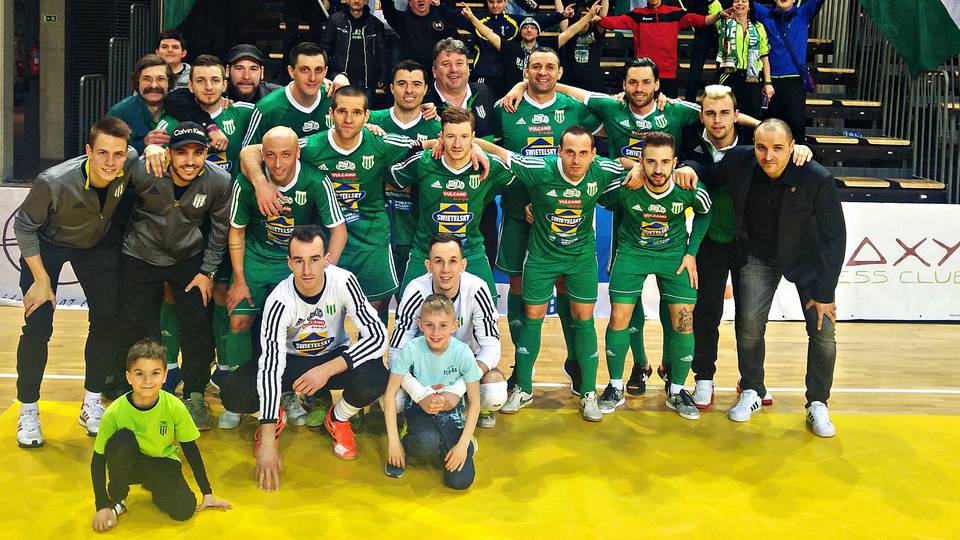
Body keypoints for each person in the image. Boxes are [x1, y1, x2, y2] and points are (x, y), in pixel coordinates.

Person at [481, 126, 640, 421]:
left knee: (583, 319)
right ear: (559, 152)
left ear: (593, 154)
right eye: (569, 152)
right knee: (532, 315)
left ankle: (589, 392)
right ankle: (523, 388)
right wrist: (469, 144)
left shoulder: (602, 169)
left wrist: (640, 166)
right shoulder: (540, 169)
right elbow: (500, 152)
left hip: (580, 258)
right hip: (542, 257)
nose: (576, 160)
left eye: (583, 153)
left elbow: (624, 162)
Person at [679, 84, 814, 409]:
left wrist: (801, 148)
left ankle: (750, 380)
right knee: (706, 312)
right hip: (709, 241)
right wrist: (686, 166)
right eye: (711, 113)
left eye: (725, 113)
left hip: (749, 243)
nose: (718, 120)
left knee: (749, 318)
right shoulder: (688, 140)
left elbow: (781, 147)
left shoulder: (756, 145)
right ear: (701, 116)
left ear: (736, 115)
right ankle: (704, 378)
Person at [219, 225, 388, 482]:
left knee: (376, 375)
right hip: (290, 363)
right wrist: (268, 442)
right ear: (289, 263)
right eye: (299, 261)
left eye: (314, 259)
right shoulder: (279, 300)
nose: (307, 270)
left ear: (327, 259)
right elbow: (271, 366)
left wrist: (327, 369)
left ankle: (338, 418)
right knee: (233, 393)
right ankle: (274, 417)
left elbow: (377, 336)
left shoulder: (344, 281)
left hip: (332, 358)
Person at [711, 118, 845, 437]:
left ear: (792, 147)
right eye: (761, 147)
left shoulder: (816, 177)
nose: (768, 155)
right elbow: (707, 172)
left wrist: (825, 292)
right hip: (759, 254)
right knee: (748, 325)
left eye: (777, 148)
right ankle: (752, 390)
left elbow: (834, 237)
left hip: (808, 258)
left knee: (823, 330)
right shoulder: (740, 161)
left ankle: (817, 403)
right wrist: (687, 168)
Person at [240, 86, 417, 323]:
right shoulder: (311, 146)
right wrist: (260, 182)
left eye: (356, 113)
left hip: (371, 239)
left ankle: (372, 349)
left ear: (366, 116)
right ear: (331, 113)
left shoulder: (380, 142)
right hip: (327, 238)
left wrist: (452, 146)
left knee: (374, 308)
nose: (348, 119)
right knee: (323, 309)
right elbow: (249, 152)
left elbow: (426, 145)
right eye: (342, 111)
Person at [13, 117, 140, 448]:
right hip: (48, 245)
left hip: (94, 245)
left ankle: (91, 402)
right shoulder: (53, 181)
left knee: (107, 318)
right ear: (89, 151)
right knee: (38, 324)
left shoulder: (130, 161)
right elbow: (23, 227)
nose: (110, 162)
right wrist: (41, 279)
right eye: (102, 153)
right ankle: (28, 410)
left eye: (118, 154)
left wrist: (155, 148)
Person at [489, 45, 603, 393]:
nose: (542, 72)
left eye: (550, 67)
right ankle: (520, 367)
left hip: (562, 216)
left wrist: (522, 85)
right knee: (519, 286)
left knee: (567, 287)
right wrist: (517, 89)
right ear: (525, 70)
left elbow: (608, 110)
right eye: (535, 66)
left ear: (560, 72)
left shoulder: (573, 108)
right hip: (516, 211)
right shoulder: (505, 108)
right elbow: (492, 153)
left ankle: (576, 360)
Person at [220, 126, 347, 429]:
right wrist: (239, 280)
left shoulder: (315, 181)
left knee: (296, 327)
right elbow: (236, 231)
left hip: (295, 261)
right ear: (262, 156)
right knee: (238, 320)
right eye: (271, 156)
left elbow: (338, 230)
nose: (278, 164)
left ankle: (287, 393)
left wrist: (325, 270)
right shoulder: (246, 183)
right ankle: (245, 391)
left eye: (286, 155)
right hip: (257, 256)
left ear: (297, 153)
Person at [123, 123, 233, 431]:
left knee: (197, 326)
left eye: (198, 153)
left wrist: (207, 272)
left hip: (188, 256)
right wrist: (146, 148)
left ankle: (195, 393)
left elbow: (221, 231)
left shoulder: (219, 181)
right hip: (141, 254)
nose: (190, 160)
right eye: (182, 152)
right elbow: (117, 164)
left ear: (207, 154)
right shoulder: (146, 169)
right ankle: (140, 394)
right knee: (137, 326)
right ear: (169, 153)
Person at [597, 132, 712, 420]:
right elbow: (595, 195)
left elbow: (705, 212)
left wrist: (691, 253)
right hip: (632, 254)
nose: (658, 169)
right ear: (641, 161)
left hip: (674, 256)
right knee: (619, 318)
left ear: (675, 162)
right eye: (650, 162)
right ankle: (614, 386)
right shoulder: (627, 185)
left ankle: (677, 390)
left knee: (684, 321)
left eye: (664, 162)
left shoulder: (688, 186)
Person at [89, 339, 231, 531]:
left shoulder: (174, 406)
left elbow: (190, 449)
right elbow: (98, 460)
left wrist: (207, 493)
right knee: (122, 440)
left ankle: (157, 488)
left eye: (155, 373)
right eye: (139, 374)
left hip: (162, 464)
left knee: (184, 510)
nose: (147, 381)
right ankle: (118, 499)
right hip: (131, 465)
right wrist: (102, 505)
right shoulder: (114, 411)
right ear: (129, 377)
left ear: (165, 375)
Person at [390, 106, 515, 298]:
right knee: (407, 307)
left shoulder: (489, 166)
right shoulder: (422, 163)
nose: (457, 144)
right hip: (425, 251)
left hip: (470, 252)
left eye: (464, 137)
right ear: (441, 137)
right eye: (450, 137)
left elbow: (523, 175)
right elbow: (391, 174)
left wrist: (481, 147)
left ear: (473, 138)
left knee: (489, 309)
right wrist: (429, 144)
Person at [391, 233, 505, 428]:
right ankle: (417, 409)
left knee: (495, 391)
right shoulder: (415, 290)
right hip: (423, 370)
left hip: (463, 368)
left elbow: (492, 349)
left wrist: (457, 389)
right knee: (394, 401)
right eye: (438, 261)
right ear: (428, 265)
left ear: (463, 265)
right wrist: (419, 393)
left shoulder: (477, 289)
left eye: (452, 261)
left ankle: (468, 409)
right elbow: (396, 353)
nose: (445, 270)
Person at [383, 294, 481, 489]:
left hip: (452, 415)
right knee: (425, 443)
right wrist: (393, 443)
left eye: (443, 325)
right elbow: (390, 394)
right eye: (429, 325)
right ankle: (407, 441)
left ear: (454, 325)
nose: (436, 332)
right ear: (420, 324)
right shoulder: (411, 349)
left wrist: (462, 446)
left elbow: (475, 402)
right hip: (419, 409)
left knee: (459, 482)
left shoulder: (463, 353)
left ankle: (464, 444)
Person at [424, 38, 500, 270]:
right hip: (436, 209)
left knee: (481, 276)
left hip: (481, 207)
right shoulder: (423, 99)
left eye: (459, 63)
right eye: (445, 64)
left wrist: (474, 145)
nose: (454, 70)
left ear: (468, 67)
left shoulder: (484, 93)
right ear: (434, 71)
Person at [368, 61, 443, 296]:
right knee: (375, 301)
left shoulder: (437, 129)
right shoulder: (371, 122)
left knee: (411, 301)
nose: (409, 90)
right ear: (391, 88)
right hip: (375, 228)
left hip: (417, 231)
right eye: (401, 84)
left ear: (426, 89)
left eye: (416, 84)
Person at [596, 0, 732, 97]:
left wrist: (718, 15)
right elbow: (614, 22)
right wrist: (597, 19)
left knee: (669, 119)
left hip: (668, 76)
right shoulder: (637, 15)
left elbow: (700, 20)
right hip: (644, 76)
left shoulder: (675, 13)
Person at [439, 0, 568, 97]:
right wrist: (440, 5)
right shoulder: (478, 20)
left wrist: (562, 16)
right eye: (491, 2)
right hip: (483, 74)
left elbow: (539, 21)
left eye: (499, 1)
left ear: (506, 2)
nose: (495, 5)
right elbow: (454, 17)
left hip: (505, 76)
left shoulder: (515, 22)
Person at [461, 3, 600, 91]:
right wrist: (472, 18)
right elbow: (489, 34)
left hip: (540, 93)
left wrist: (589, 16)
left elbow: (569, 32)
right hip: (515, 96)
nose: (529, 30)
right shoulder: (511, 48)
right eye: (525, 27)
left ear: (538, 32)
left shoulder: (546, 47)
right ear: (520, 32)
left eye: (533, 27)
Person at [241, 42, 349, 146]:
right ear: (291, 71)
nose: (312, 78)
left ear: (325, 72)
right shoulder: (267, 109)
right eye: (305, 70)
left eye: (318, 70)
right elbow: (248, 153)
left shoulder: (336, 99)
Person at [755, 0, 826, 141]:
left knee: (796, 126)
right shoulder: (765, 15)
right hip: (770, 82)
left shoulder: (803, 13)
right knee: (770, 128)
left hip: (794, 80)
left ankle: (797, 155)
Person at [710, 0, 772, 122]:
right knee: (728, 114)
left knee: (752, 116)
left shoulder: (758, 27)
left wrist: (768, 83)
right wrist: (720, 13)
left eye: (744, 1)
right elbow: (713, 4)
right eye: (736, 1)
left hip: (753, 77)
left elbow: (764, 56)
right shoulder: (723, 22)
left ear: (749, 6)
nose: (740, 4)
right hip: (729, 75)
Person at [107, 54, 175, 153]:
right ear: (137, 82)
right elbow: (106, 148)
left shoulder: (180, 109)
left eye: (160, 79)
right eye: (147, 79)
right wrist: (143, 144)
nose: (154, 85)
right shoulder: (119, 112)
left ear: (169, 83)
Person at [321, 0, 390, 98]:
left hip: (366, 84)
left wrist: (382, 77)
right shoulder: (335, 21)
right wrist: (324, 75)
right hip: (339, 80)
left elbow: (382, 54)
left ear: (366, 1)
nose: (357, 1)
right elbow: (325, 49)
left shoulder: (376, 24)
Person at [380, 0, 461, 70]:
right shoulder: (402, 20)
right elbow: (388, 9)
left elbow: (456, 39)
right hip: (413, 73)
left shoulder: (443, 18)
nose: (421, 0)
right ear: (410, 3)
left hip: (438, 72)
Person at [558, 0, 611, 94]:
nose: (585, 22)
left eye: (587, 18)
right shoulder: (569, 34)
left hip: (593, 84)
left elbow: (603, 16)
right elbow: (561, 17)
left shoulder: (596, 32)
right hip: (571, 84)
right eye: (582, 19)